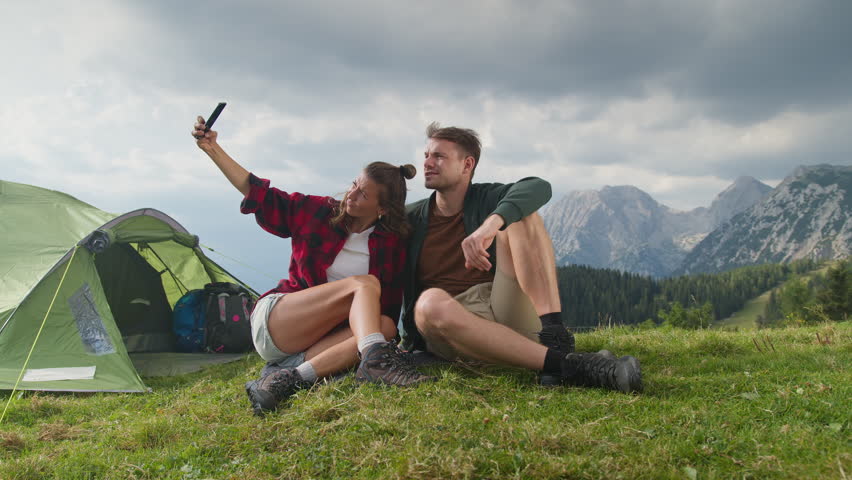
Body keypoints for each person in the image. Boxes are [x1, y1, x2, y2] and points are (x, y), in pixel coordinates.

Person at [192, 116, 432, 416]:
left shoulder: (390, 245)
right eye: (354, 185)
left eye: (363, 195)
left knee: (383, 325)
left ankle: (286, 379)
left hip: (319, 338)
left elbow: (388, 309)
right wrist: (213, 149)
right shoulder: (317, 211)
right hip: (280, 320)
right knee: (365, 284)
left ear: (382, 209)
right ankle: (374, 362)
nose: (351, 196)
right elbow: (259, 194)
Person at [399, 122, 642, 393]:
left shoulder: (488, 197)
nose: (428, 163)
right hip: (453, 323)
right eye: (426, 156)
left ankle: (554, 337)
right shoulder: (410, 218)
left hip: (501, 304)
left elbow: (538, 187)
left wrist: (489, 227)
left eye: (439, 156)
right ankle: (571, 365)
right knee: (429, 303)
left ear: (467, 165)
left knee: (521, 213)